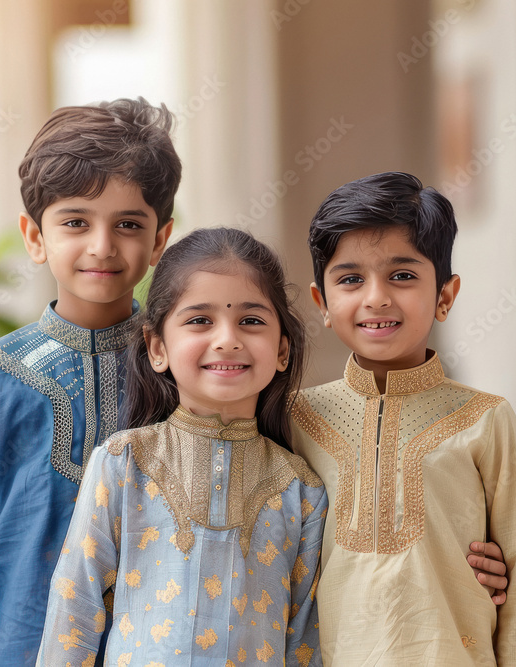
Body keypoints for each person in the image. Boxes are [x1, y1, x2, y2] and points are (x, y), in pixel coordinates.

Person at [0, 98, 180, 666]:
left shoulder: (176, 366)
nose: (102, 245)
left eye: (128, 225)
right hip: (21, 646)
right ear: (35, 236)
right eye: (75, 222)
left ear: (160, 239)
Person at [291, 172, 516, 665]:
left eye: (403, 275)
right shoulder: (296, 418)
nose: (376, 298)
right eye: (350, 279)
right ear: (322, 302)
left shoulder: (485, 419)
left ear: (446, 296)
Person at [36, 227, 327, 666]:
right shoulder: (123, 462)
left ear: (282, 350)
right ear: (157, 348)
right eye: (200, 320)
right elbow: (73, 612)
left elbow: (304, 641)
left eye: (250, 320)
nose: (227, 338)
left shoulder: (301, 490)